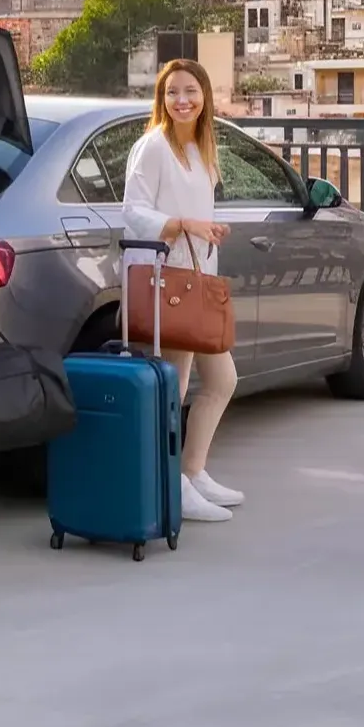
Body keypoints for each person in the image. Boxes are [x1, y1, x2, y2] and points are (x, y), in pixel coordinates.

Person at [122, 58, 242, 523]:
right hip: (167, 284)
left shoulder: (201, 148)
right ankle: (175, 484)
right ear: (162, 99)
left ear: (205, 96)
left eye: (190, 91)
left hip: (195, 282)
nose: (182, 100)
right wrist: (183, 224)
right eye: (172, 92)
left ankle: (191, 471)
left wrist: (206, 229)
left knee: (221, 380)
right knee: (177, 386)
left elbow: (193, 212)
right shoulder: (154, 146)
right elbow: (133, 211)